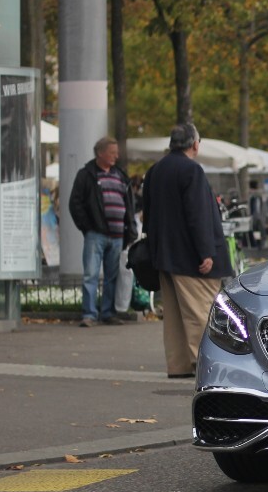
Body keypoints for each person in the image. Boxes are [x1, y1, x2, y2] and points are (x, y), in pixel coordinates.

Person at [142, 122, 233, 378]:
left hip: (165, 255)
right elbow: (198, 215)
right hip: (191, 257)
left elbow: (147, 214)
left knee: (173, 317)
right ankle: (204, 365)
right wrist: (205, 252)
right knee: (200, 312)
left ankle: (178, 364)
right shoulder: (191, 170)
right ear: (195, 144)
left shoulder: (155, 171)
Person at [68, 137, 137, 327]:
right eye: (112, 152)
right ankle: (89, 313)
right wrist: (87, 226)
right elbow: (75, 203)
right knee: (91, 274)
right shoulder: (87, 174)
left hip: (117, 235)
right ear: (101, 153)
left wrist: (129, 229)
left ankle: (107, 312)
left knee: (112, 276)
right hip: (96, 234)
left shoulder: (120, 176)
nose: (116, 156)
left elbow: (129, 204)